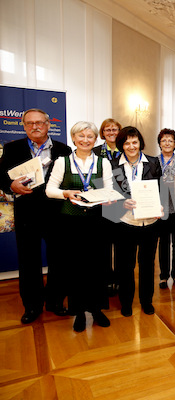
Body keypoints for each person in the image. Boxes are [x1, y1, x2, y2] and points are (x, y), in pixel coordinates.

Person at [0, 108, 71, 324]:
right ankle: (32, 306)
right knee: (28, 261)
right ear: (23, 126)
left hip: (56, 214)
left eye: (39, 122)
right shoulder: (13, 148)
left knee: (59, 260)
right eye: (30, 123)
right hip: (26, 214)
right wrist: (10, 184)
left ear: (48, 124)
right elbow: (0, 176)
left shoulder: (64, 149)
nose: (35, 127)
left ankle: (55, 302)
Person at [46, 121, 113, 332]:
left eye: (90, 136)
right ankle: (79, 312)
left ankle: (97, 309)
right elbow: (50, 190)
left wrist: (108, 198)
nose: (85, 140)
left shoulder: (103, 163)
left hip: (97, 223)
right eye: (81, 136)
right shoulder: (62, 161)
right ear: (73, 138)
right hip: (71, 223)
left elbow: (110, 189)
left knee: (98, 266)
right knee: (75, 268)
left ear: (96, 140)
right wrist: (65, 193)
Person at [111, 127, 162, 317]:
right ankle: (125, 302)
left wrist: (161, 207)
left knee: (148, 265)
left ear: (140, 142)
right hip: (125, 222)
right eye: (127, 143)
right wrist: (120, 202)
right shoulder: (113, 164)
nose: (131, 146)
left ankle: (146, 301)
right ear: (121, 145)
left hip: (149, 223)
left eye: (135, 142)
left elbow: (161, 190)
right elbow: (109, 192)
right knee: (125, 266)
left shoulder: (153, 162)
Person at [93, 118, 123, 299]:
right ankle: (105, 279)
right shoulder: (94, 152)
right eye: (108, 130)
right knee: (103, 246)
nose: (112, 132)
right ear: (102, 133)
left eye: (115, 129)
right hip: (100, 205)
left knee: (120, 245)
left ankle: (119, 279)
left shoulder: (127, 150)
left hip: (121, 204)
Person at [157, 129, 175, 290]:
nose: (167, 143)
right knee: (163, 243)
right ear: (159, 143)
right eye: (164, 140)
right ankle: (163, 276)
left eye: (170, 140)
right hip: (161, 209)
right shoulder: (153, 161)